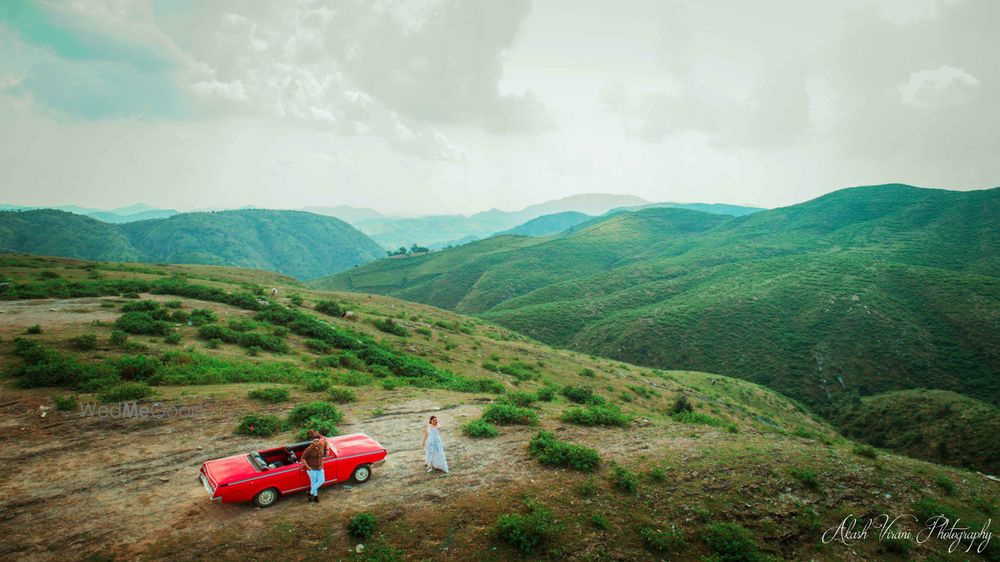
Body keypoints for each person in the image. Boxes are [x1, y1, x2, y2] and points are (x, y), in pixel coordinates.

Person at [301, 436, 325, 502]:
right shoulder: (309, 449)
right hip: (312, 469)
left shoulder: (321, 447)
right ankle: (315, 496)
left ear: (319, 441)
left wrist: (322, 464)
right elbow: (303, 458)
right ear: (312, 441)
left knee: (322, 481)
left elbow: (321, 457)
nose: (316, 442)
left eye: (317, 441)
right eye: (315, 441)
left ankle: (310, 493)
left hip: (320, 468)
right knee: (313, 483)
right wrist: (308, 467)